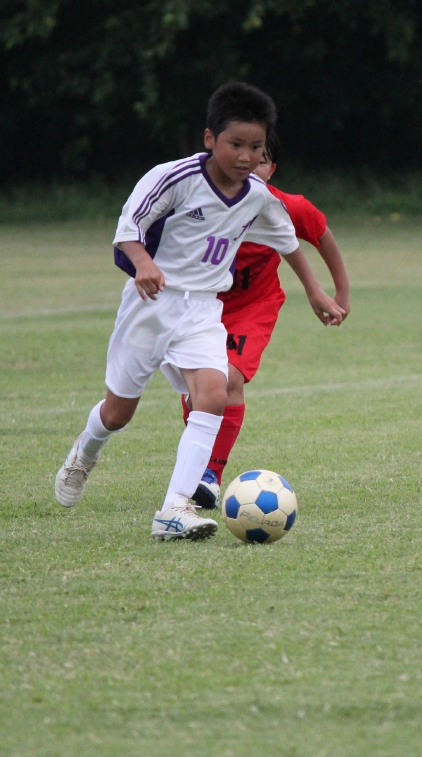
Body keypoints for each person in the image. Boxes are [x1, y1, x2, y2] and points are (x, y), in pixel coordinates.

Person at [54, 82, 346, 541]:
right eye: (236, 144)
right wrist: (144, 264)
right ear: (210, 139)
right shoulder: (174, 177)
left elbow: (289, 242)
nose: (246, 157)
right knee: (118, 413)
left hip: (204, 308)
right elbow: (128, 228)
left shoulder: (258, 196)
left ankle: (174, 508)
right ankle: (85, 453)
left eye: (256, 147)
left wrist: (315, 292)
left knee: (213, 393)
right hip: (152, 305)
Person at [185, 132, 351, 508]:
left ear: (271, 169)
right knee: (199, 391)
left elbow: (321, 234)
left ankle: (209, 475)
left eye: (260, 160)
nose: (250, 166)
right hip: (202, 305)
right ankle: (196, 467)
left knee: (229, 379)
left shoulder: (285, 206)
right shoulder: (202, 201)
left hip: (253, 307)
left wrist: (340, 291)